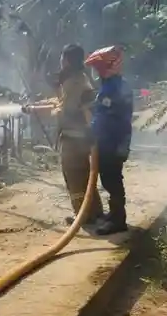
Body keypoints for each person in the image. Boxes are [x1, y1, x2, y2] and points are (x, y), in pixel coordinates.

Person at [50, 44, 103, 227]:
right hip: (82, 137)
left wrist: (56, 112)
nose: (60, 61)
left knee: (73, 176)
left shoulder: (73, 82)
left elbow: (68, 109)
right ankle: (95, 212)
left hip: (73, 138)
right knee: (85, 175)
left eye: (62, 57)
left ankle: (82, 215)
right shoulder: (81, 78)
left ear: (67, 60)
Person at [84, 45, 133, 236]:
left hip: (114, 142)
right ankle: (113, 215)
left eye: (98, 69)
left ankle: (118, 220)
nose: (96, 73)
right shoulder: (114, 85)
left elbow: (105, 116)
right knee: (109, 178)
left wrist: (92, 131)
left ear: (106, 67)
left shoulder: (113, 88)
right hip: (114, 140)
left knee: (112, 180)